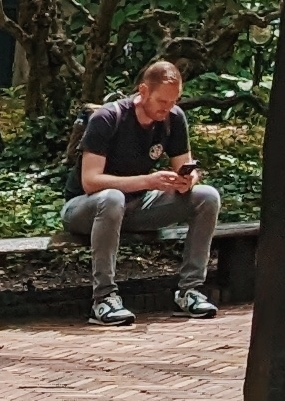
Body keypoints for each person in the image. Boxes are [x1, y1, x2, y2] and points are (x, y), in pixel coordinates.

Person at [63, 58, 220, 325]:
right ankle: (104, 299)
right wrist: (148, 181)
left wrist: (188, 180)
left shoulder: (173, 118)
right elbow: (90, 181)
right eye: (162, 102)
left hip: (137, 206)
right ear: (143, 91)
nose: (168, 108)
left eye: (174, 101)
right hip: (86, 207)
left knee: (207, 196)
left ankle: (189, 291)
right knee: (112, 198)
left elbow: (187, 167)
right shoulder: (108, 118)